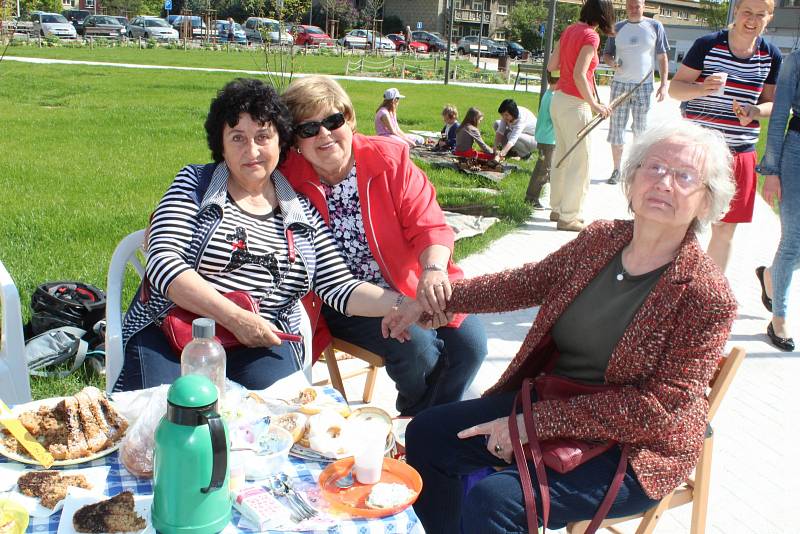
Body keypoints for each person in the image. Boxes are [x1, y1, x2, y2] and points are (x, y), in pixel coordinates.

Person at [399, 120, 738, 533]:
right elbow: (523, 283)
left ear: (707, 202)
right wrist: (434, 300)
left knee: (496, 503)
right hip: (555, 400)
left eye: (685, 176)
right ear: (632, 180)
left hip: (634, 447)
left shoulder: (706, 295)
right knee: (428, 435)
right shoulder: (601, 240)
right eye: (654, 167)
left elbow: (656, 411)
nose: (665, 182)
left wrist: (530, 426)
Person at [115, 78, 422, 392]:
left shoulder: (301, 212)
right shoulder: (195, 183)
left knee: (282, 423)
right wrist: (236, 319)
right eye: (237, 138)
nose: (252, 151)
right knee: (163, 420)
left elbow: (339, 287)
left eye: (263, 136)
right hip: (174, 331)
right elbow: (164, 264)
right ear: (220, 144)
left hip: (260, 343)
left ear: (281, 142)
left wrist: (406, 302)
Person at [280, 75, 488, 416]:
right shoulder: (288, 180)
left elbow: (430, 226)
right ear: (294, 141)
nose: (325, 134)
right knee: (418, 349)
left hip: (412, 283)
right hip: (343, 299)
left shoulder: (388, 160)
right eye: (308, 129)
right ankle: (427, 425)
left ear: (348, 119)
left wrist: (433, 272)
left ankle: (419, 420)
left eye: (333, 121)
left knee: (471, 347)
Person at [669, 0, 781, 272]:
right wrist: (701, 88)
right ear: (736, 12)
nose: (752, 20)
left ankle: (709, 292)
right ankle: (667, 286)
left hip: (740, 152)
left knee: (725, 229)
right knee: (680, 220)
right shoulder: (708, 44)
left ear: (769, 17)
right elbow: (675, 89)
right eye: (747, 12)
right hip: (697, 151)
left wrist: (754, 111)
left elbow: (772, 103)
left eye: (760, 14)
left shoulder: (771, 55)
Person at [547, 0, 615, 232]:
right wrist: (594, 104)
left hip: (558, 101)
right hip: (575, 105)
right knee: (580, 162)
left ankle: (557, 209)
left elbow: (551, 65)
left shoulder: (569, 30)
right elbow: (580, 74)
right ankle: (569, 216)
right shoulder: (591, 36)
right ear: (604, 15)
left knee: (562, 157)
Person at [754, 49, 800, 352]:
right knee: (793, 239)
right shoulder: (796, 60)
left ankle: (771, 275)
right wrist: (771, 170)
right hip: (796, 154)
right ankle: (779, 317)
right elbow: (780, 112)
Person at [602, 0, 669, 185]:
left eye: (637, 6)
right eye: (630, 6)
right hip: (619, 85)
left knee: (640, 129)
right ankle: (616, 169)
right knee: (617, 128)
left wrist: (663, 84)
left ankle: (638, 169)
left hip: (643, 85)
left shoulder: (655, 26)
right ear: (626, 6)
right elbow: (607, 54)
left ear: (643, 5)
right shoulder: (617, 28)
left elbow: (662, 56)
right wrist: (611, 63)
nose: (633, 9)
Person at [525, 71, 559, 207]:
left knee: (545, 168)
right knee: (543, 170)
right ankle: (531, 197)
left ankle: (550, 198)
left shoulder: (548, 94)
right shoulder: (553, 98)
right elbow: (555, 117)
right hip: (548, 140)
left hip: (545, 138)